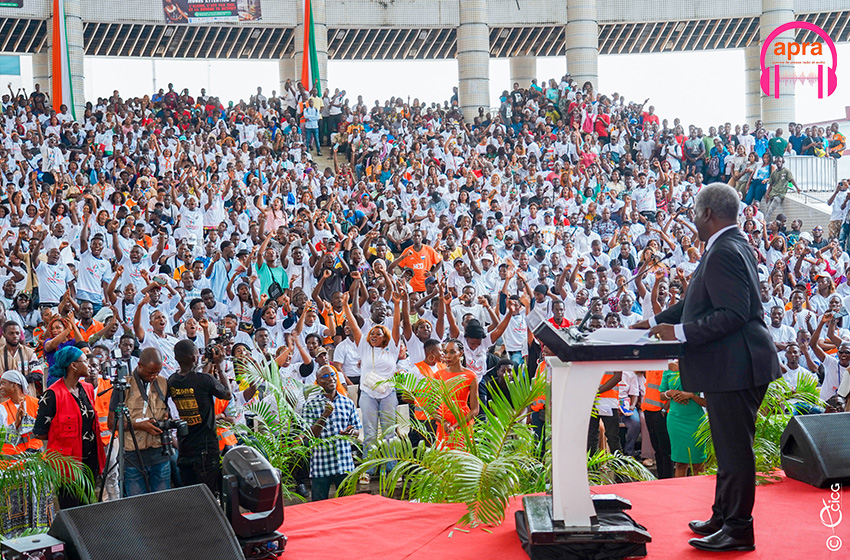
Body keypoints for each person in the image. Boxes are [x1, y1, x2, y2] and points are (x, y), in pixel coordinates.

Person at [633, 183, 781, 552]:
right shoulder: (729, 245)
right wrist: (652, 323)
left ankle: (738, 529)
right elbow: (696, 302)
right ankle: (722, 516)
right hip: (732, 365)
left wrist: (677, 332)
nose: (692, 220)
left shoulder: (724, 251)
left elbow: (733, 313)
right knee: (729, 446)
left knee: (734, 450)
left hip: (737, 366)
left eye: (695, 213)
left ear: (707, 214)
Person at [341, 289, 401, 486]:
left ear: (385, 338)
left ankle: (392, 469)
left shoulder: (392, 348)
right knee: (369, 432)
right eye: (372, 333)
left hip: (388, 394)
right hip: (367, 394)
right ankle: (368, 469)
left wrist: (398, 304)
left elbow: (397, 327)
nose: (374, 335)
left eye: (378, 333)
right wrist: (345, 306)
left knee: (389, 433)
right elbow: (353, 325)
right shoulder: (364, 347)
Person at [33, 346, 106, 509]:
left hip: (90, 459)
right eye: (85, 361)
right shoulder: (52, 394)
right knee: (71, 508)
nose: (89, 365)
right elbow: (40, 432)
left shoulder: (86, 388)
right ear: (73, 366)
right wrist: (62, 438)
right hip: (68, 465)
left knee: (88, 505)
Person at [167, 339, 232, 494]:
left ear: (176, 358)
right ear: (195, 358)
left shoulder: (172, 381)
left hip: (184, 447)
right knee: (209, 493)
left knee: (191, 493)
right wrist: (220, 367)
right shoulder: (205, 379)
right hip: (206, 448)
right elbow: (227, 394)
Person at [107, 348, 171, 496]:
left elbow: (167, 411)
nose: (154, 376)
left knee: (162, 503)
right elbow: (112, 424)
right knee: (138, 506)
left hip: (160, 454)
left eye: (157, 372)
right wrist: (138, 425)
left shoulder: (163, 383)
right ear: (140, 365)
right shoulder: (124, 385)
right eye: (150, 372)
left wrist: (166, 417)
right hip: (133, 457)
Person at [0, 369, 52, 537]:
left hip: (34, 465)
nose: (0, 387)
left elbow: (45, 432)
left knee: (38, 507)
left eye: (3, 383)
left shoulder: (37, 404)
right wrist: (16, 425)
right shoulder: (2, 409)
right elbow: (4, 438)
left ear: (14, 385)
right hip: (11, 468)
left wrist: (24, 423)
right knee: (15, 510)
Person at [302, 365, 361, 501]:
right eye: (325, 376)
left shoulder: (347, 403)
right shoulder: (310, 405)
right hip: (321, 465)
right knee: (319, 509)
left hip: (344, 464)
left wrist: (352, 432)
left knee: (347, 507)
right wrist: (324, 415)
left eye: (333, 375)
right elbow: (310, 436)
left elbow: (357, 431)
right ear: (317, 381)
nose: (331, 379)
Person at [659, 362, 707, 477]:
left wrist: (692, 396)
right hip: (676, 419)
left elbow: (707, 402)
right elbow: (661, 395)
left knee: (698, 464)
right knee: (680, 463)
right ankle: (680, 493)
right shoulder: (669, 368)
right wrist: (669, 393)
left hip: (696, 420)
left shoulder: (700, 368)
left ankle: (701, 493)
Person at [432, 339, 479, 448]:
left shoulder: (471, 376)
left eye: (452, 352)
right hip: (444, 421)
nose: (448, 356)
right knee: (444, 459)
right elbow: (430, 406)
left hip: (463, 422)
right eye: (446, 352)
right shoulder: (438, 375)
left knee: (463, 459)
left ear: (461, 353)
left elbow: (475, 410)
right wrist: (443, 422)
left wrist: (456, 425)